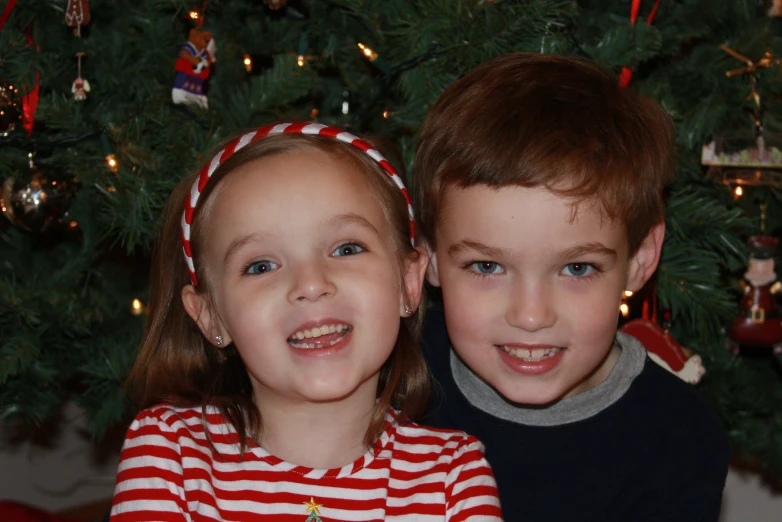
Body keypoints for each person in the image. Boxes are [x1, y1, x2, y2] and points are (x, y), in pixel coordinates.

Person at [109, 122, 502, 521]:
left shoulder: (452, 478)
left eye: (346, 248)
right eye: (261, 265)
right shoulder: (170, 455)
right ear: (210, 315)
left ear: (407, 282)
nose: (311, 285)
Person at [413, 53, 730, 522]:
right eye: (487, 265)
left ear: (640, 259)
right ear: (430, 258)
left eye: (577, 269)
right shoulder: (394, 375)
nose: (531, 315)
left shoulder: (678, 438)